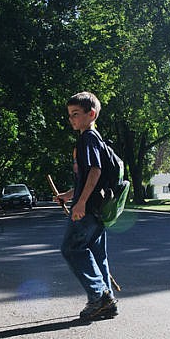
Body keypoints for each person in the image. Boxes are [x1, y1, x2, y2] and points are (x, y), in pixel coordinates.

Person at [55, 92, 118, 321]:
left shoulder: (87, 139)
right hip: (98, 208)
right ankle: (107, 302)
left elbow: (95, 171)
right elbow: (88, 179)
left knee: (71, 248)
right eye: (69, 115)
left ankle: (98, 297)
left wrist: (80, 203)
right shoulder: (97, 139)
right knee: (97, 254)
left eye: (76, 114)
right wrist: (68, 195)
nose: (71, 119)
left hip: (88, 208)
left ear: (91, 114)